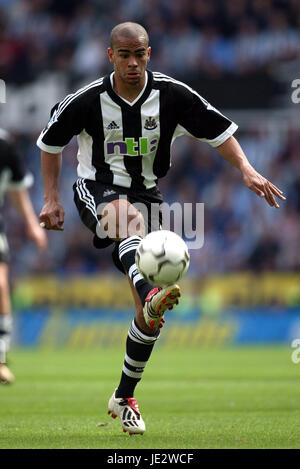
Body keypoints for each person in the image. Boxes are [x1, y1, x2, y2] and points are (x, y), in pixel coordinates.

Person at [37, 22, 285, 434]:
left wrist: (247, 168)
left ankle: (124, 396)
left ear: (149, 53)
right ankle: (151, 290)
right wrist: (50, 198)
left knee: (146, 318)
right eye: (124, 55)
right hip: (95, 187)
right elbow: (49, 144)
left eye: (140, 54)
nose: (132, 62)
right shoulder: (85, 101)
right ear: (110, 56)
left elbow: (218, 132)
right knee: (127, 224)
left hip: (149, 195)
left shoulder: (172, 95)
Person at [0, 129, 48, 384]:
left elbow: (17, 189)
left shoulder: (4, 146)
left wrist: (31, 223)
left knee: (0, 285)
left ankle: (0, 358)